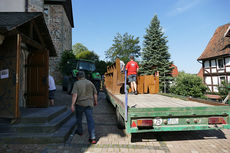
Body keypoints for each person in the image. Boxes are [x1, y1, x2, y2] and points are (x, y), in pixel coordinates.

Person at [71, 71, 98, 144]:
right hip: (89, 104)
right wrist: (95, 101)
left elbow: (75, 95)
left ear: (78, 77)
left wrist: (72, 104)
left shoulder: (76, 83)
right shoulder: (90, 83)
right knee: (90, 120)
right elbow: (95, 93)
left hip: (80, 104)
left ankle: (80, 131)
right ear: (84, 76)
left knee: (79, 118)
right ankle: (92, 138)